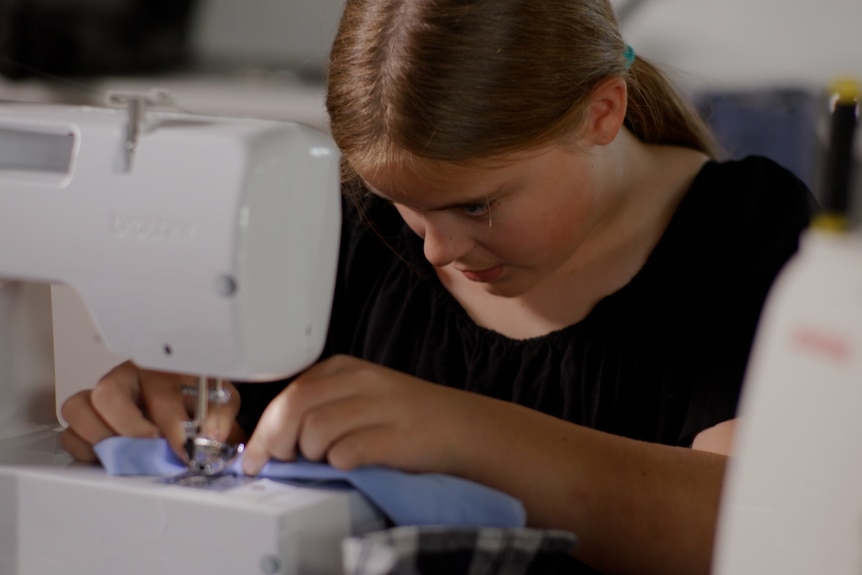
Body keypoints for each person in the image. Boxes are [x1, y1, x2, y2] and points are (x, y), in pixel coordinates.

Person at [59, 1, 817, 573]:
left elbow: (759, 524)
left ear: (601, 113)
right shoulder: (354, 229)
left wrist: (459, 433)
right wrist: (165, 393)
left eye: (476, 205)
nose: (437, 248)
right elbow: (235, 417)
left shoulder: (747, 233)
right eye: (404, 206)